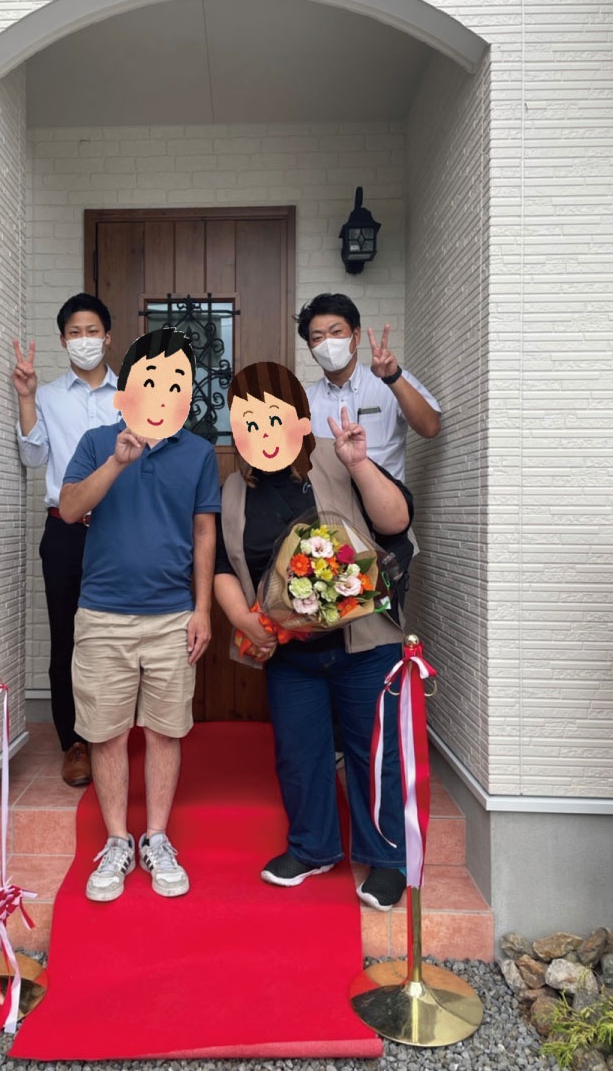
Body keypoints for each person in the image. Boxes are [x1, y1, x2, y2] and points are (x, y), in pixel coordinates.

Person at [213, 361, 413, 911]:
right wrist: (243, 619)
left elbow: (395, 522)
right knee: (300, 755)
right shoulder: (233, 490)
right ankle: (312, 847)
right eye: (249, 422)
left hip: (364, 643)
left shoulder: (335, 454)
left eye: (274, 417)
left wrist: (361, 464)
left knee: (373, 753)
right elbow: (225, 565)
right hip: (291, 653)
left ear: (300, 418)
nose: (262, 432)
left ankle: (387, 858)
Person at [60, 327, 220, 903]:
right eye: (150, 381)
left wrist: (202, 609)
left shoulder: (199, 453)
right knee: (105, 735)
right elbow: (69, 508)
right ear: (126, 388)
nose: (162, 392)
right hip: (103, 615)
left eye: (176, 383)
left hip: (172, 616)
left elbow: (205, 533)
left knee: (164, 730)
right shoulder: (96, 441)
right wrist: (117, 463)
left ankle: (156, 837)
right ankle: (116, 841)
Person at [13, 293, 119, 787]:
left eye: (92, 331)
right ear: (62, 340)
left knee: (119, 635)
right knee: (67, 638)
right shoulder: (50, 396)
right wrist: (26, 397)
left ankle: (115, 735)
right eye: (75, 333)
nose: (84, 340)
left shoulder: (131, 396)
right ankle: (74, 742)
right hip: (66, 529)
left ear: (108, 337)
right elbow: (34, 458)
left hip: (121, 528)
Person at [298, 293, 441, 483]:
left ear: (356, 336)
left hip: (386, 500)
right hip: (327, 502)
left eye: (336, 332)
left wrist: (393, 378)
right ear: (311, 350)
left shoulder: (392, 382)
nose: (328, 342)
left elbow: (430, 428)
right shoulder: (303, 402)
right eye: (318, 337)